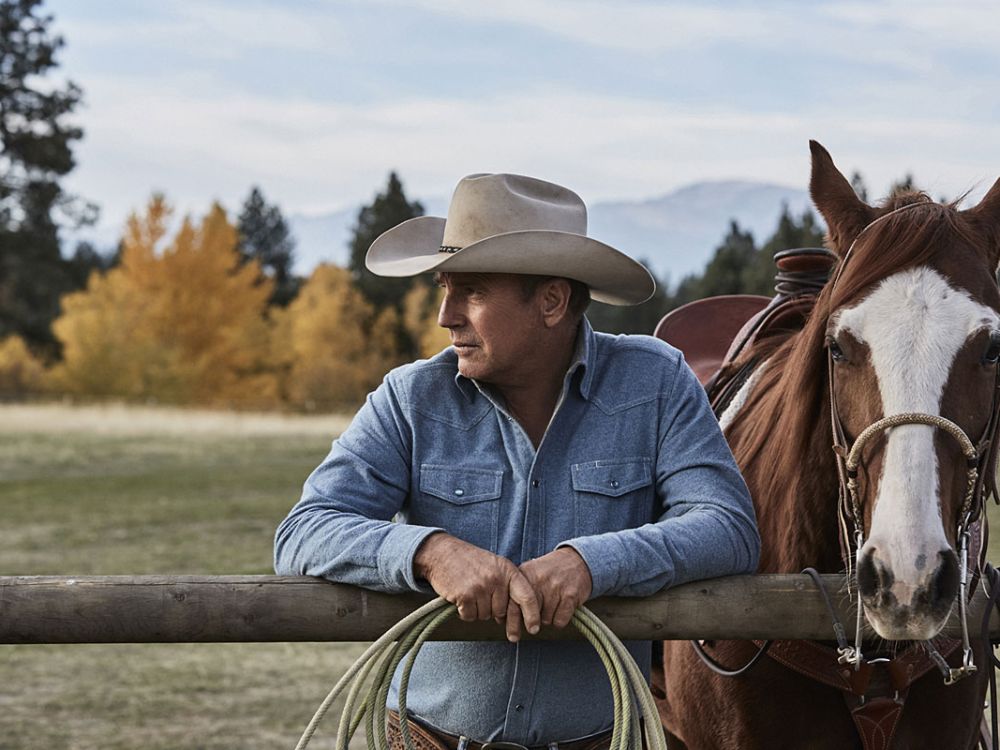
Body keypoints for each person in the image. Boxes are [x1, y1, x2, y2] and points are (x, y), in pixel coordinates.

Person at [274, 173, 760, 749]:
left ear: (552, 301)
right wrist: (432, 552)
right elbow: (304, 532)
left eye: (472, 292)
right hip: (428, 738)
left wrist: (590, 563)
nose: (445, 316)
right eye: (444, 288)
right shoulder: (411, 399)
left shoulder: (655, 383)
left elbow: (727, 527)